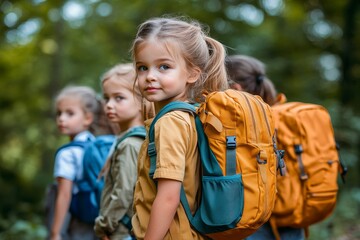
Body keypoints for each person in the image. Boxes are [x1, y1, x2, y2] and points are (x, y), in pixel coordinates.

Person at [130, 16, 228, 240]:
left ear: (192, 74)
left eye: (164, 66)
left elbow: (168, 197)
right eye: (142, 67)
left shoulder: (170, 123)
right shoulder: (193, 114)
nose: (150, 76)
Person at [225, 54, 304, 240]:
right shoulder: (282, 114)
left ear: (236, 88)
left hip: (257, 217)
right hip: (292, 210)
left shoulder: (240, 125)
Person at [93, 63, 154, 240]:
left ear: (140, 100)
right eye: (106, 98)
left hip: (122, 232)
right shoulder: (128, 139)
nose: (109, 105)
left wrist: (104, 225)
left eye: (119, 98)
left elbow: (123, 193)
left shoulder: (131, 144)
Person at [51, 85, 107, 240]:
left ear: (88, 118)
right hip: (100, 214)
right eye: (59, 113)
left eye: (70, 113)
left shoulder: (67, 153)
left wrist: (55, 233)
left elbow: (64, 194)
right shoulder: (98, 145)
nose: (62, 118)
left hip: (78, 216)